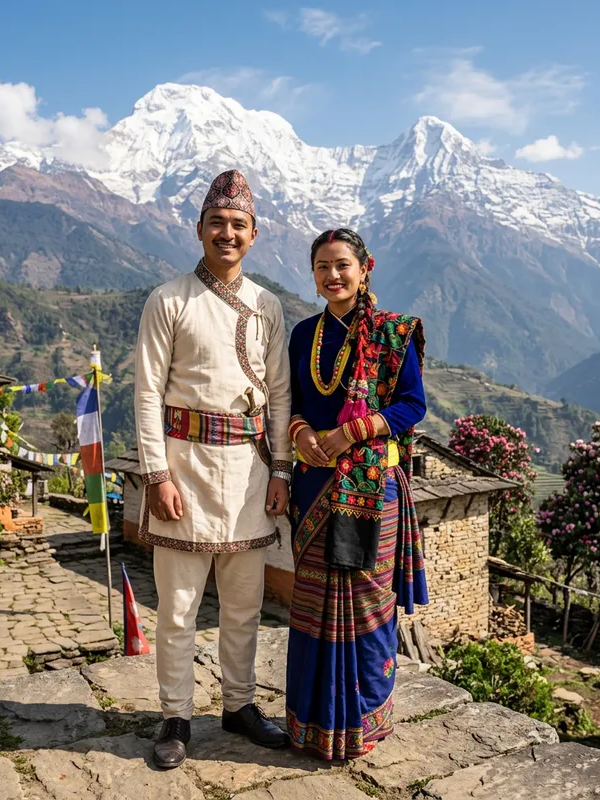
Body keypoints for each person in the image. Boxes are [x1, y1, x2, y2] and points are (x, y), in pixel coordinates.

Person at [134, 170, 293, 769]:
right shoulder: (169, 300)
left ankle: (239, 706)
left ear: (254, 235)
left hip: (250, 475)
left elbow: (279, 395)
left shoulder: (267, 304)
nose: (227, 234)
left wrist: (281, 471)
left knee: (244, 604)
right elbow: (147, 393)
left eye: (238, 225)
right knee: (176, 609)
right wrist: (156, 475)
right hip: (184, 471)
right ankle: (176, 715)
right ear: (199, 229)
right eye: (217, 224)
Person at [285, 228, 429, 761]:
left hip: (373, 492)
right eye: (322, 266)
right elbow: (294, 401)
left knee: (368, 610)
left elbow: (412, 406)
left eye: (342, 264)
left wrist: (353, 431)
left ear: (365, 268)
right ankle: (311, 727)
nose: (332, 275)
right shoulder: (303, 335)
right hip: (314, 487)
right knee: (312, 609)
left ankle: (364, 722)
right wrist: (301, 434)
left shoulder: (395, 333)